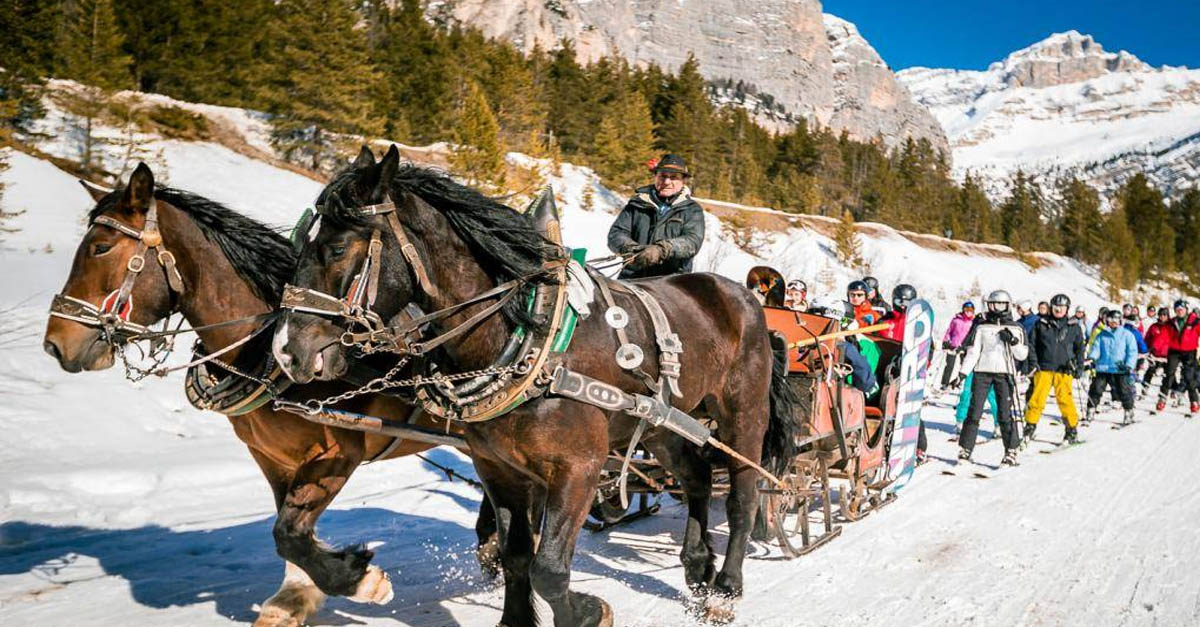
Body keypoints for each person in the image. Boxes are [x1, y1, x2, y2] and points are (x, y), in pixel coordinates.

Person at [956, 290, 1028, 465]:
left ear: (1007, 306)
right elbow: (973, 352)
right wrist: (962, 373)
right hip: (983, 373)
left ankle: (1010, 450)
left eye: (1000, 305)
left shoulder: (1016, 328)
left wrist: (1013, 341)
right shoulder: (982, 326)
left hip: (1004, 374)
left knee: (1004, 413)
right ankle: (966, 449)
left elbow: (1022, 355)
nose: (996, 308)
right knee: (974, 411)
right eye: (993, 305)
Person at [607, 153, 705, 279]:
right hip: (632, 277)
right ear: (655, 177)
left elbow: (692, 242)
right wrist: (632, 249)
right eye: (662, 176)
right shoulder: (636, 203)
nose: (666, 182)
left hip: (671, 282)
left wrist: (661, 250)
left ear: (683, 181)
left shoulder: (692, 210)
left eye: (673, 177)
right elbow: (616, 234)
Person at [1025, 293, 1086, 445]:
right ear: (1051, 308)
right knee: (1037, 399)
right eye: (1056, 307)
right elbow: (1031, 344)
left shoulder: (1074, 327)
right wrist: (1033, 362)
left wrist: (1079, 366)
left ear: (1067, 309)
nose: (1059, 310)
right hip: (1044, 368)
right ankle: (1030, 427)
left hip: (1064, 369)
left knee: (1065, 400)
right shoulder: (1041, 324)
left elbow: (1080, 348)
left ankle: (1071, 429)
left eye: (1062, 307)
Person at [1085, 309, 1139, 426]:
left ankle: (1129, 412)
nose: (1113, 322)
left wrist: (1129, 365)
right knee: (1096, 389)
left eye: (1115, 319)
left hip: (1120, 368)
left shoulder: (1127, 335)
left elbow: (1132, 352)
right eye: (1110, 320)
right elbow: (1096, 349)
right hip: (1103, 368)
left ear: (1120, 320)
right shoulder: (1102, 335)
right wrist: (1092, 358)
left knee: (1124, 391)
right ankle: (1090, 411)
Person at [1155, 299, 1200, 414]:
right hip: (1174, 350)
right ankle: (1162, 398)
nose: (1180, 312)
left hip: (1189, 351)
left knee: (1189, 377)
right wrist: (1154, 348)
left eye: (1182, 309)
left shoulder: (1194, 321)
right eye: (1177, 310)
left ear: (1186, 310)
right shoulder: (1171, 322)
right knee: (1169, 374)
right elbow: (1163, 337)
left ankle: (1194, 401)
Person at [940, 301, 976, 389]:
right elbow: (949, 331)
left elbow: (973, 335)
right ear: (963, 310)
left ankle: (960, 382)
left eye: (970, 310)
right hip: (953, 345)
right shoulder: (956, 320)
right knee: (949, 365)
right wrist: (946, 341)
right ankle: (944, 383)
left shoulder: (973, 322)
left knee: (964, 366)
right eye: (966, 309)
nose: (968, 311)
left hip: (965, 347)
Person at [1142, 307, 1171, 397]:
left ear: (1167, 316)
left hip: (1167, 354)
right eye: (1160, 315)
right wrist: (1146, 349)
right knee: (1150, 371)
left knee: (1169, 374)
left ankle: (1171, 391)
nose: (1162, 317)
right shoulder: (1154, 326)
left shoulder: (1171, 327)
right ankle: (1144, 387)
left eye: (1164, 315)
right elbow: (1147, 338)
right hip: (1155, 353)